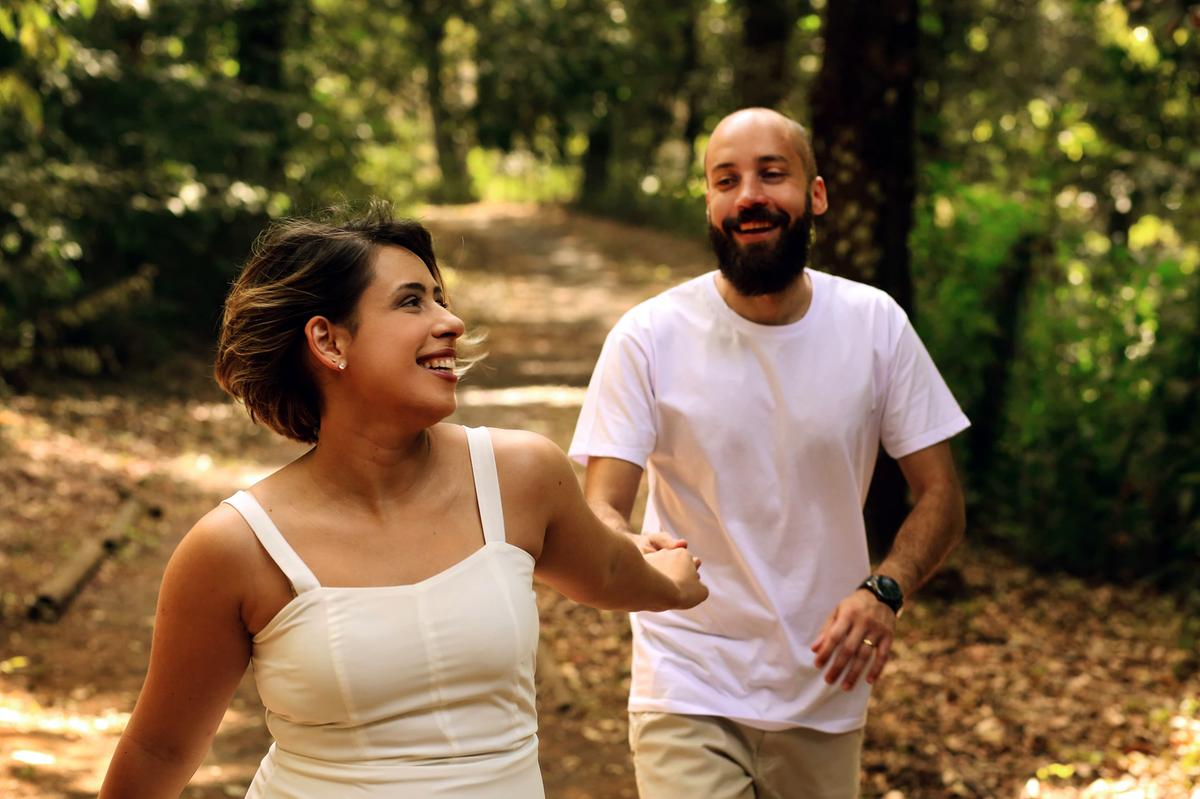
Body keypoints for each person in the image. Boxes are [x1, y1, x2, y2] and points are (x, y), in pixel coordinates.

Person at [98, 202, 707, 798]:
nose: (451, 322)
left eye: (440, 298)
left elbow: (606, 570)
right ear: (329, 342)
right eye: (411, 301)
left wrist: (672, 582)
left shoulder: (518, 475)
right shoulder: (235, 547)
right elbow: (160, 750)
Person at [568, 107, 969, 798]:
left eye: (770, 174)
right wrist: (631, 549)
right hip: (687, 680)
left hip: (825, 690)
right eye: (726, 180)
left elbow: (941, 497)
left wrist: (886, 588)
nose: (748, 194)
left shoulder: (875, 325)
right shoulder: (648, 336)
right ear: (710, 205)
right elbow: (601, 506)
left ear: (815, 196)